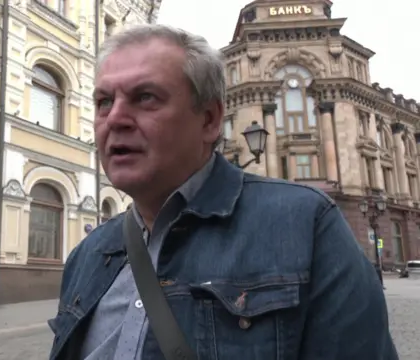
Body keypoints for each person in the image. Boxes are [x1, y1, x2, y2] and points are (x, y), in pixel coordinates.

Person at [48, 24, 398, 360]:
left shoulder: (308, 226)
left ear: (210, 120)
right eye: (103, 101)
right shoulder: (88, 255)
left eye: (145, 97)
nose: (115, 119)